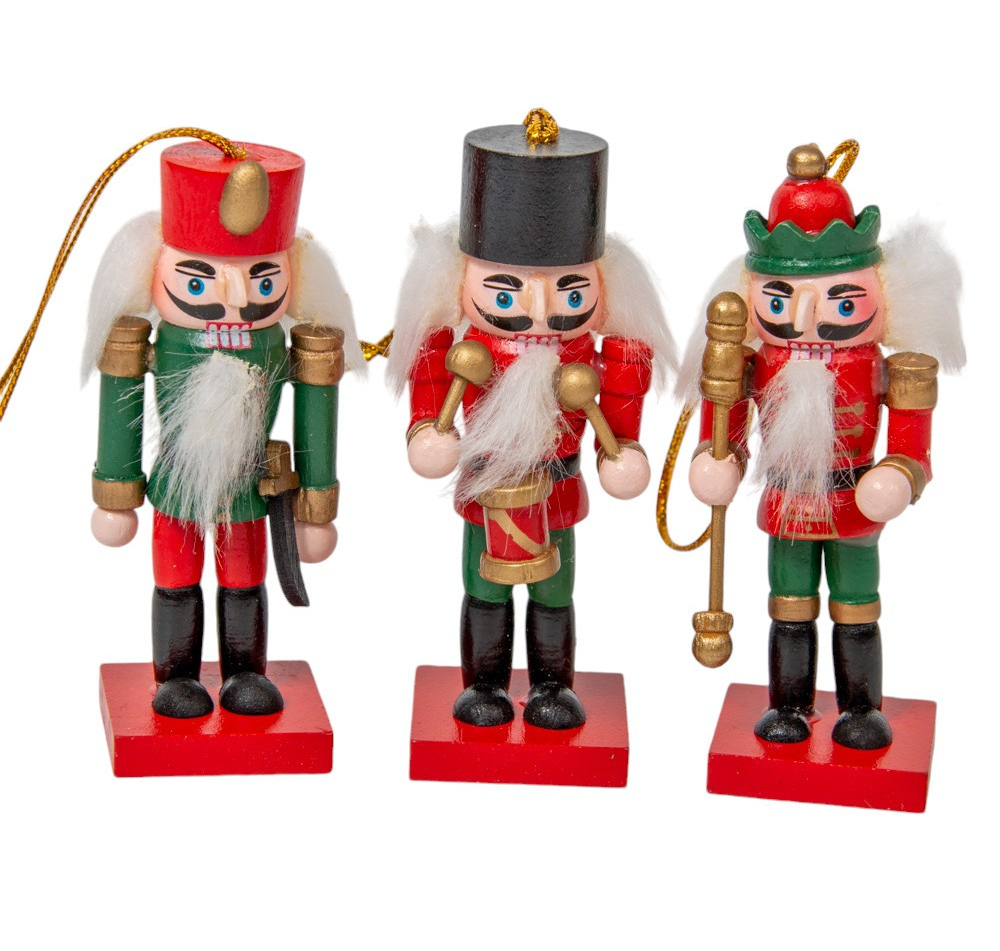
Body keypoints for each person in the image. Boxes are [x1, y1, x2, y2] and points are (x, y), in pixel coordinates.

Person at [389, 110, 675, 729]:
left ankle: (551, 686)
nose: (540, 310)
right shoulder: (465, 347)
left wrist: (623, 448)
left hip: (558, 487)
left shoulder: (590, 354)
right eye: (506, 292)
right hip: (486, 483)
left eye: (570, 292)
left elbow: (620, 396)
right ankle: (484, 685)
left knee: (554, 590)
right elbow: (431, 379)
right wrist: (426, 430)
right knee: (484, 586)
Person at [685, 142, 964, 748]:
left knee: (857, 607)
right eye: (781, 299)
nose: (807, 317)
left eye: (841, 299)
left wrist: (899, 474)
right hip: (788, 501)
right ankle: (789, 705)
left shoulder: (885, 366)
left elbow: (914, 446)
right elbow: (723, 425)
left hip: (854, 504)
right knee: (788, 606)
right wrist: (718, 459)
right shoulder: (756, 361)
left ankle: (860, 708)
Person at [85, 140, 363, 718]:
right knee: (176, 577)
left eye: (262, 282)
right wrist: (116, 487)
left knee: (243, 579)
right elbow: (120, 397)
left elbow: (316, 407)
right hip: (176, 485)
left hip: (248, 486)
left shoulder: (275, 343)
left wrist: (316, 500)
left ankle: (244, 672)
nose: (233, 299)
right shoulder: (164, 339)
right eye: (199, 282)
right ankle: (176, 676)